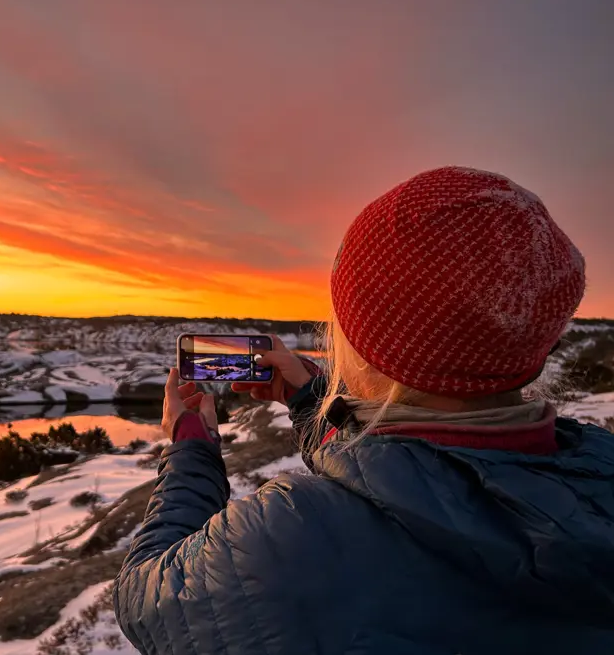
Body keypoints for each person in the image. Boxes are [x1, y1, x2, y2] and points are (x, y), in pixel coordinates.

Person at [114, 166, 614, 654]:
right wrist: (311, 402)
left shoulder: (288, 540)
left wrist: (190, 449)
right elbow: (420, 479)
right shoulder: (596, 472)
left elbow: (145, 599)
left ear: (371, 341)